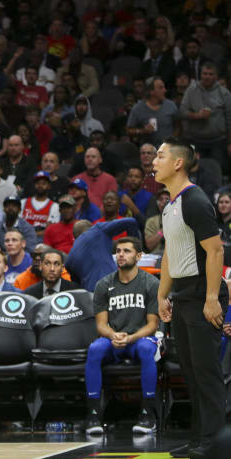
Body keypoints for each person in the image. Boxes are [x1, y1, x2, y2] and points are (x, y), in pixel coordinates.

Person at [154, 138, 228, 459]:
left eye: (160, 156)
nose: (154, 161)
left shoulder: (195, 200)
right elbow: (171, 252)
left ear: (178, 163)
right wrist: (161, 294)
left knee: (207, 372)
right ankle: (200, 438)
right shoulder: (170, 205)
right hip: (183, 294)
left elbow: (216, 250)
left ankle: (215, 442)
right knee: (190, 371)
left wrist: (212, 297)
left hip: (202, 293)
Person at [84, 237, 161, 436]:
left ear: (139, 256)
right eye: (118, 251)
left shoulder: (151, 283)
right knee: (95, 349)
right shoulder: (103, 284)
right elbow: (101, 325)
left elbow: (153, 325)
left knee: (145, 349)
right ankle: (93, 414)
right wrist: (114, 335)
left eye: (126, 251)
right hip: (115, 338)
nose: (121, 255)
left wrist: (130, 338)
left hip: (140, 338)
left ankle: (147, 415)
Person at [179, 62, 231, 176]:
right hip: (195, 140)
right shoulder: (191, 90)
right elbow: (182, 111)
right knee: (194, 172)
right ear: (200, 74)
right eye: (205, 73)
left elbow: (229, 120)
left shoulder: (224, 93)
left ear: (216, 76)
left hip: (218, 141)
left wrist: (229, 143)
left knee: (216, 171)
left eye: (210, 74)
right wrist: (196, 115)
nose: (207, 76)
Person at [66, 218, 140, 292]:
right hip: (113, 286)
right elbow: (130, 222)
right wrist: (135, 249)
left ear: (74, 238)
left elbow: (77, 287)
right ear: (91, 228)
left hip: (92, 295)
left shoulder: (69, 260)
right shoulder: (97, 230)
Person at [126, 77, 179, 148]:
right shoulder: (137, 109)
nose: (165, 90)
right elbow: (129, 130)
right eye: (161, 88)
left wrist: (172, 140)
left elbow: (178, 127)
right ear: (151, 91)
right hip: (148, 151)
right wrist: (142, 131)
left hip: (168, 150)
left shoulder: (171, 106)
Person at [21, 171, 60, 238]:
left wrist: (30, 234)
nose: (40, 186)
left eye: (43, 183)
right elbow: (18, 225)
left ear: (49, 186)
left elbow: (49, 230)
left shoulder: (54, 206)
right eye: (38, 183)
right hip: (22, 239)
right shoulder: (23, 202)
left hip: (42, 241)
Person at [144, 189, 171, 255]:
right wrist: (163, 229)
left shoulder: (180, 220)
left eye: (167, 199)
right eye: (161, 199)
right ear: (157, 203)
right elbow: (149, 246)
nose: (164, 202)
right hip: (157, 256)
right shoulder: (152, 221)